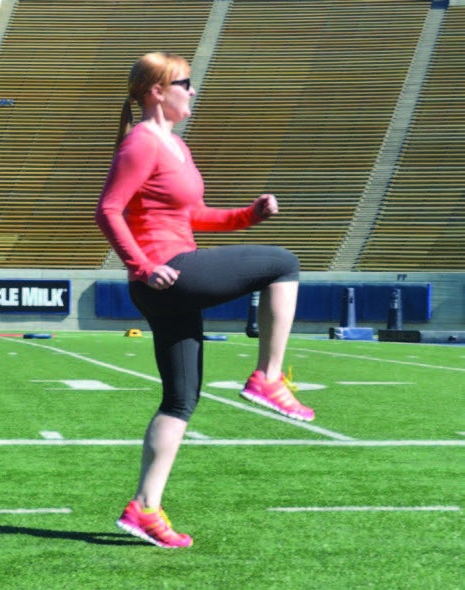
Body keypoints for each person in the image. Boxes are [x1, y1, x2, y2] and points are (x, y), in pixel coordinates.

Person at [95, 51, 315, 549]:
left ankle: (144, 507)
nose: (193, 91)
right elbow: (108, 209)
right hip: (166, 272)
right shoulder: (141, 142)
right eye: (185, 83)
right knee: (283, 263)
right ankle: (268, 378)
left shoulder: (175, 145)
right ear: (157, 92)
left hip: (170, 273)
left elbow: (194, 214)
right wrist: (142, 266)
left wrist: (248, 215)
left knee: (180, 398)